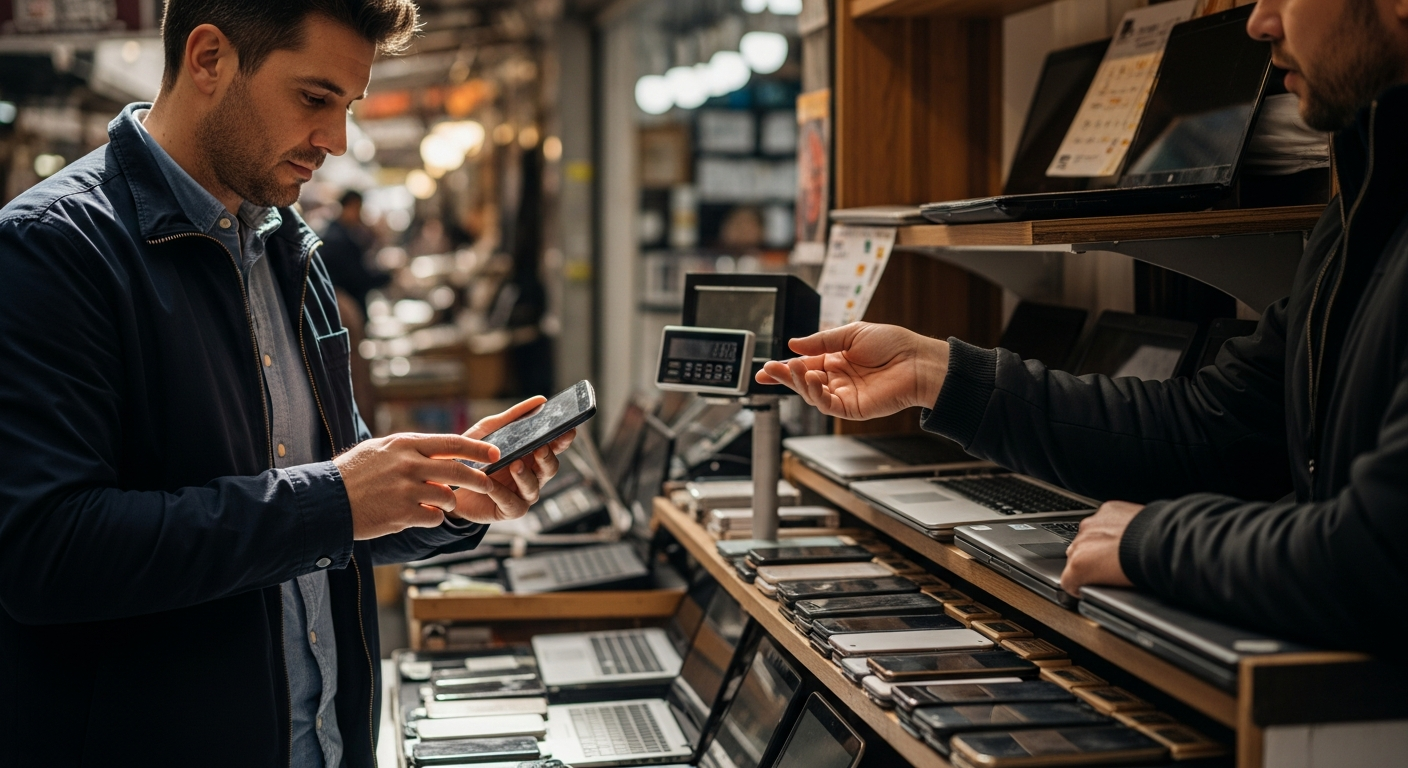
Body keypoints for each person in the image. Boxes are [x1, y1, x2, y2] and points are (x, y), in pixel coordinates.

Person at [0, 2, 572, 766]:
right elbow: (45, 553)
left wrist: (439, 496)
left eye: (348, 106)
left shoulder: (284, 244)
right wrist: (334, 498)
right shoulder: (52, 250)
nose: (335, 141)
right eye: (314, 98)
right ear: (208, 59)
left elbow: (324, 486)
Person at [759, 0, 1408, 655]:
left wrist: (1152, 540)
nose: (1259, 21)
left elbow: (1378, 557)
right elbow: (1215, 431)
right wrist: (941, 374)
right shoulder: (1362, 209)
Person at [319, 189, 390, 315]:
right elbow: (357, 277)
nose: (359, 214)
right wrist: (389, 276)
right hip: (346, 308)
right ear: (348, 207)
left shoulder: (343, 233)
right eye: (357, 208)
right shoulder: (337, 239)